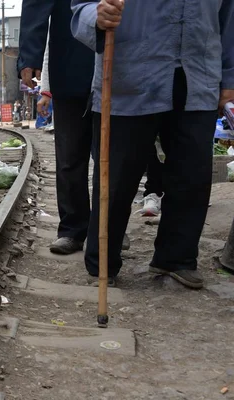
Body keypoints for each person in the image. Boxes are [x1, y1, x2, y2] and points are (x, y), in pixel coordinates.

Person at [71, 0, 234, 288]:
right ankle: (103, 262)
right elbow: (80, 7)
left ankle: (176, 258)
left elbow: (230, 19)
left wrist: (230, 78)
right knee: (118, 177)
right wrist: (96, 16)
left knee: (192, 175)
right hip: (129, 76)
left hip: (199, 74)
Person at [18, 0, 95, 255]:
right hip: (72, 62)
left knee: (115, 158)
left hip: (125, 64)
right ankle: (73, 228)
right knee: (70, 156)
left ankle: (109, 228)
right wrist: (30, 54)